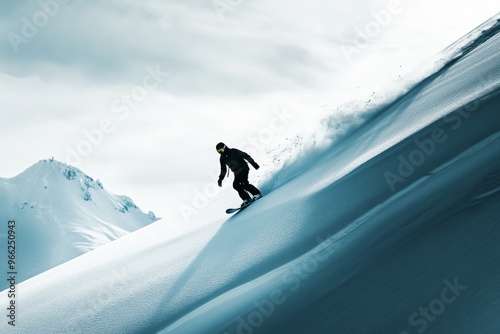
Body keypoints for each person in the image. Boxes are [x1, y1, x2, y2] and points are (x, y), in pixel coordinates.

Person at [216, 142, 262, 206]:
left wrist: (254, 164)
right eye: (219, 151)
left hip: (243, 168)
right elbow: (223, 169)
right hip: (236, 172)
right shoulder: (222, 158)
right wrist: (220, 179)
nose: (221, 152)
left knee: (244, 183)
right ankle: (246, 199)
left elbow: (245, 155)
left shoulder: (233, 151)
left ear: (225, 147)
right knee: (236, 185)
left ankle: (257, 194)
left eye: (221, 150)